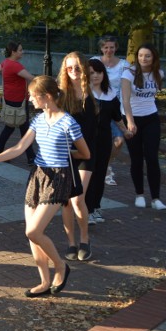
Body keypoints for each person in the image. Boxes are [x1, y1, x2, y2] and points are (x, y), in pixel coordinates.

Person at [0, 76, 90, 298]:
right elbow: (20, 147)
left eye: (32, 95)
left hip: (58, 178)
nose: (29, 99)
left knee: (34, 230)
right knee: (32, 234)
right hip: (38, 176)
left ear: (46, 96)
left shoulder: (69, 122)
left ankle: (61, 266)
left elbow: (85, 153)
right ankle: (44, 281)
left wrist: (64, 153)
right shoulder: (38, 121)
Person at [57, 52, 98, 262]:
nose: (73, 71)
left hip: (86, 153)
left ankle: (85, 238)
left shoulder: (89, 96)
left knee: (77, 198)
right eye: (69, 68)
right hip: (64, 154)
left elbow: (90, 134)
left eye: (77, 68)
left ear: (83, 70)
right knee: (65, 201)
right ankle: (71, 243)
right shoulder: (60, 96)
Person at [121, 43, 166, 210]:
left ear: (153, 57)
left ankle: (156, 198)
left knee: (152, 157)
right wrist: (130, 121)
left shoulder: (159, 73)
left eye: (147, 56)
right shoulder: (129, 73)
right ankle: (139, 194)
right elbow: (125, 100)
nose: (143, 59)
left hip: (151, 118)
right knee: (137, 158)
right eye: (140, 55)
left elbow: (153, 96)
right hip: (133, 118)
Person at [85, 59, 131, 225]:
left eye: (98, 72)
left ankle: (96, 206)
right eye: (91, 72)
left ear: (103, 74)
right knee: (88, 173)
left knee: (100, 173)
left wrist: (125, 130)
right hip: (86, 140)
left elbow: (117, 117)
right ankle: (87, 209)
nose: (95, 75)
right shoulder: (82, 93)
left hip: (104, 139)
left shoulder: (110, 93)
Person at [0, 42, 36, 164]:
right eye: (20, 50)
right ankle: (29, 157)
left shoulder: (6, 63)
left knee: (14, 128)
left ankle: (25, 156)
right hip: (18, 102)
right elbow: (32, 78)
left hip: (10, 100)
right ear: (13, 52)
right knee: (20, 129)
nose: (22, 52)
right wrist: (51, 82)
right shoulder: (15, 66)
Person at [92, 35, 131, 186]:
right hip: (97, 105)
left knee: (119, 141)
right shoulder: (95, 61)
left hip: (114, 107)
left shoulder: (123, 65)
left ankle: (107, 164)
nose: (109, 50)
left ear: (116, 48)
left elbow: (126, 87)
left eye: (112, 47)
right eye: (106, 47)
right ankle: (100, 167)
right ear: (101, 48)